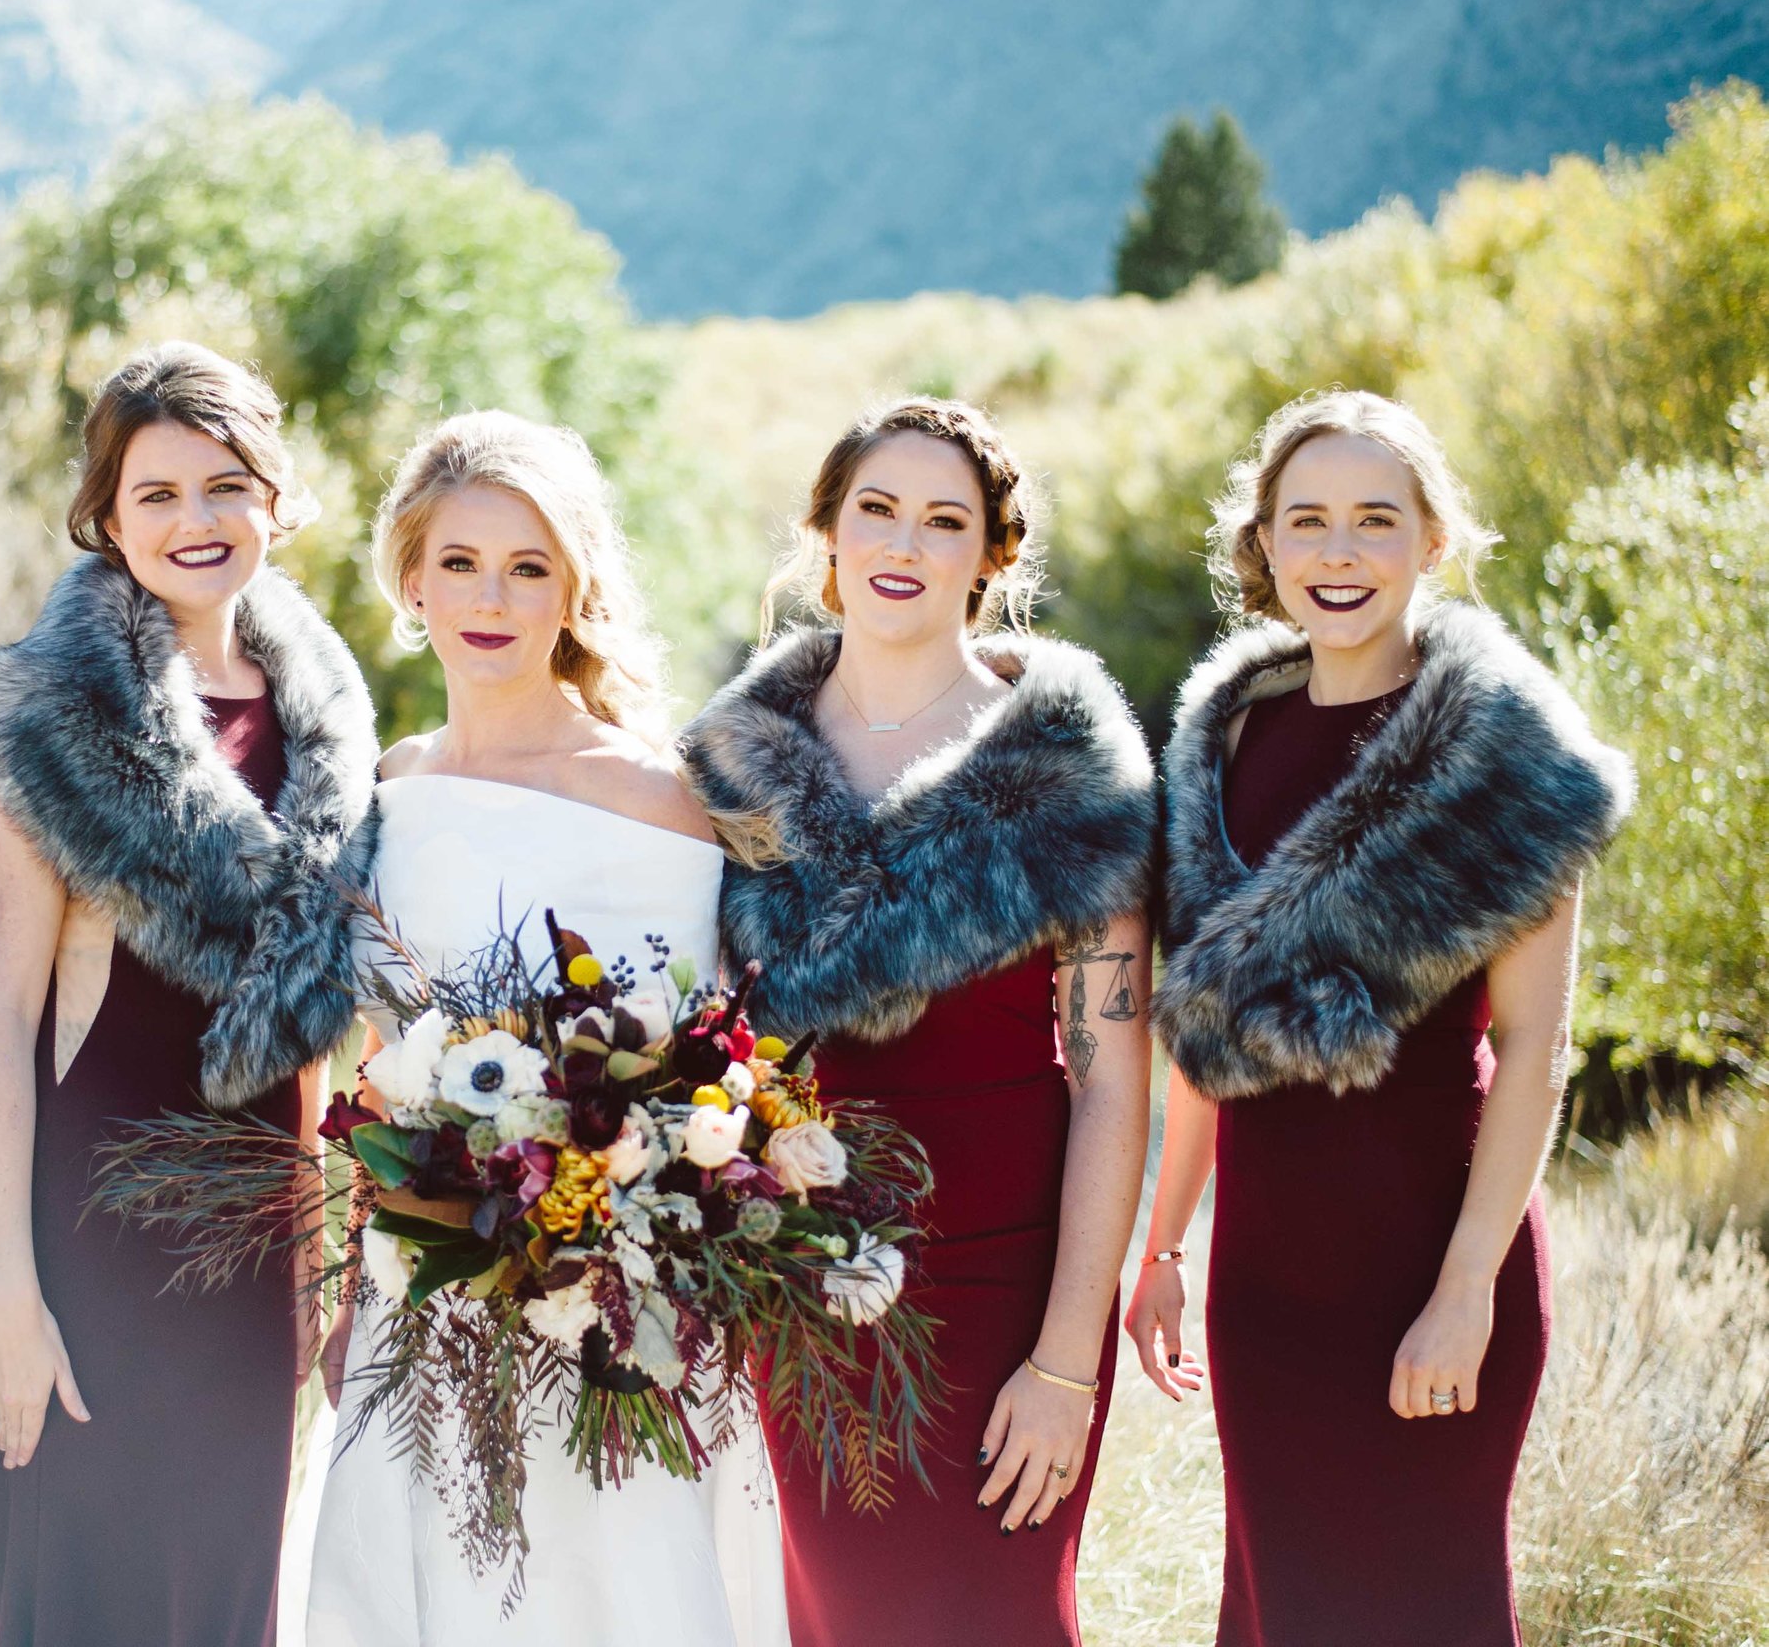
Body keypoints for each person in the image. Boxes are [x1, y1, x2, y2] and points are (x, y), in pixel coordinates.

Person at [1128, 390, 1634, 1647]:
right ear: (1263, 545)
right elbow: (1208, 1021)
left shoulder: (1508, 755)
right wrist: (1164, 1242)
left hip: (1432, 1258)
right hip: (1264, 1277)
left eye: (1374, 519)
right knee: (1277, 1609)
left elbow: (1534, 1047)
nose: (1338, 552)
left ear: (1431, 539)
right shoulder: (1221, 739)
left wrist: (1465, 1290)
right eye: (1306, 521)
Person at [305, 411, 788, 1647]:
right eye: (459, 562)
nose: (490, 598)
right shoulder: (389, 787)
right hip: (426, 1287)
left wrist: (614, 1219)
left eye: (528, 568)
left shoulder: (659, 800)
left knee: (612, 1589)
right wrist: (350, 1281)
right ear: (411, 579)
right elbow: (374, 1065)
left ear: (573, 590)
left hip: (614, 1298)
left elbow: (705, 1055)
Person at [680, 397, 1156, 1646]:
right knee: (840, 1614)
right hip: (801, 1273)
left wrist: (1066, 1360)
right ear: (826, 532)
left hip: (1010, 1283)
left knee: (1006, 1613)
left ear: (991, 554)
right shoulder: (728, 766)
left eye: (944, 521)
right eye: (876, 509)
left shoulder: (1072, 768)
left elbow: (1111, 1079)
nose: (903, 543)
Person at [0, 341, 377, 1647]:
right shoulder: (56, 713)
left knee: (226, 1602)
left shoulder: (331, 721)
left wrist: (325, 1261)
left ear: (275, 499)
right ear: (107, 514)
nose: (195, 520)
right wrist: (6, 1296)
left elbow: (324, 1019)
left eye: (224, 486)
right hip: (97, 1242)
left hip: (258, 1249)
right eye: (157, 493)